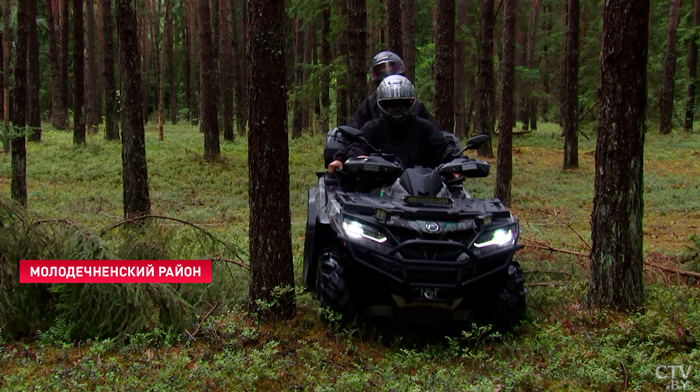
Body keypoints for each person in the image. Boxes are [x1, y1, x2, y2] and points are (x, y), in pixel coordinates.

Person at [329, 75, 458, 175]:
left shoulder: (425, 128)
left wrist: (457, 163)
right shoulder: (373, 127)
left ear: (410, 103)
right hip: (379, 188)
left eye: (401, 103)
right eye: (392, 104)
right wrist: (349, 158)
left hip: (422, 191)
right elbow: (356, 147)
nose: (397, 108)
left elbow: (443, 149)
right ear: (382, 104)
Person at [348, 51, 433, 130]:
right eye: (381, 72)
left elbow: (433, 133)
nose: (387, 74)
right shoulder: (369, 105)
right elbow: (353, 130)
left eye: (392, 69)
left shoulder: (413, 104)